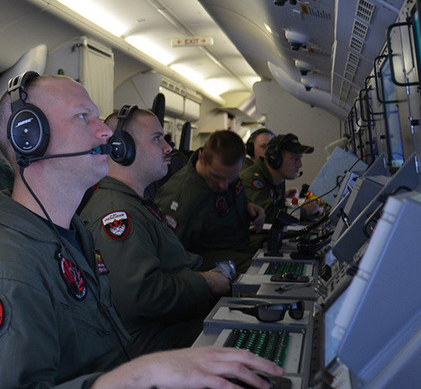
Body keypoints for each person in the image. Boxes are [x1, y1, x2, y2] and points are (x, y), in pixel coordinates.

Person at [0, 74, 282, 388]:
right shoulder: (2, 274)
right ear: (29, 138)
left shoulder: (72, 237)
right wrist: (140, 374)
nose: (106, 132)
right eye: (82, 117)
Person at [80, 106, 231, 357]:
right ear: (121, 149)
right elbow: (142, 295)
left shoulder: (135, 203)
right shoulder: (116, 214)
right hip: (152, 345)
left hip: (168, 330)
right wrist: (206, 282)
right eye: (156, 139)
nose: (168, 147)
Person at [154, 130, 265, 273]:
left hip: (237, 242)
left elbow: (232, 195)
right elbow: (170, 257)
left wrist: (248, 204)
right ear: (201, 158)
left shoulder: (223, 170)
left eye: (231, 179)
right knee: (261, 271)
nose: (224, 186)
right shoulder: (182, 199)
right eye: (217, 177)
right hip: (205, 258)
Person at [241, 133, 321, 223]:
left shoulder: (278, 179)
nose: (300, 165)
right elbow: (268, 214)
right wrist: (303, 211)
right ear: (275, 159)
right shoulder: (251, 179)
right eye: (295, 159)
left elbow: (279, 210)